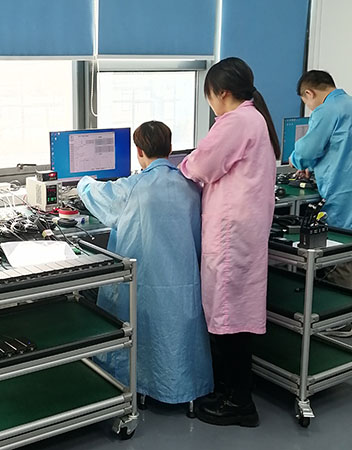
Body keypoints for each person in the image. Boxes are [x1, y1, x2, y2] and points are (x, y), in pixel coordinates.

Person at [77, 120, 213, 406]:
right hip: (183, 285)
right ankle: (184, 389)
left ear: (139, 152)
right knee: (179, 334)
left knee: (135, 325)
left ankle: (138, 386)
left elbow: (93, 194)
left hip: (144, 285)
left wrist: (83, 180)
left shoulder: (131, 187)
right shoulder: (191, 185)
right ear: (170, 148)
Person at [179, 57, 278, 427]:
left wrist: (180, 168)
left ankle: (239, 403)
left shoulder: (236, 122)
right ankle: (230, 392)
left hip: (231, 235)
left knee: (227, 318)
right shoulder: (256, 119)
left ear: (221, 93)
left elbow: (202, 165)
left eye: (208, 96)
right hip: (244, 232)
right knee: (234, 314)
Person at [290, 70, 352, 288]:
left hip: (342, 196)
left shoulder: (327, 110)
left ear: (309, 93)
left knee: (341, 256)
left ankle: (339, 308)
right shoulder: (349, 104)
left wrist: (297, 161)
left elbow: (308, 150)